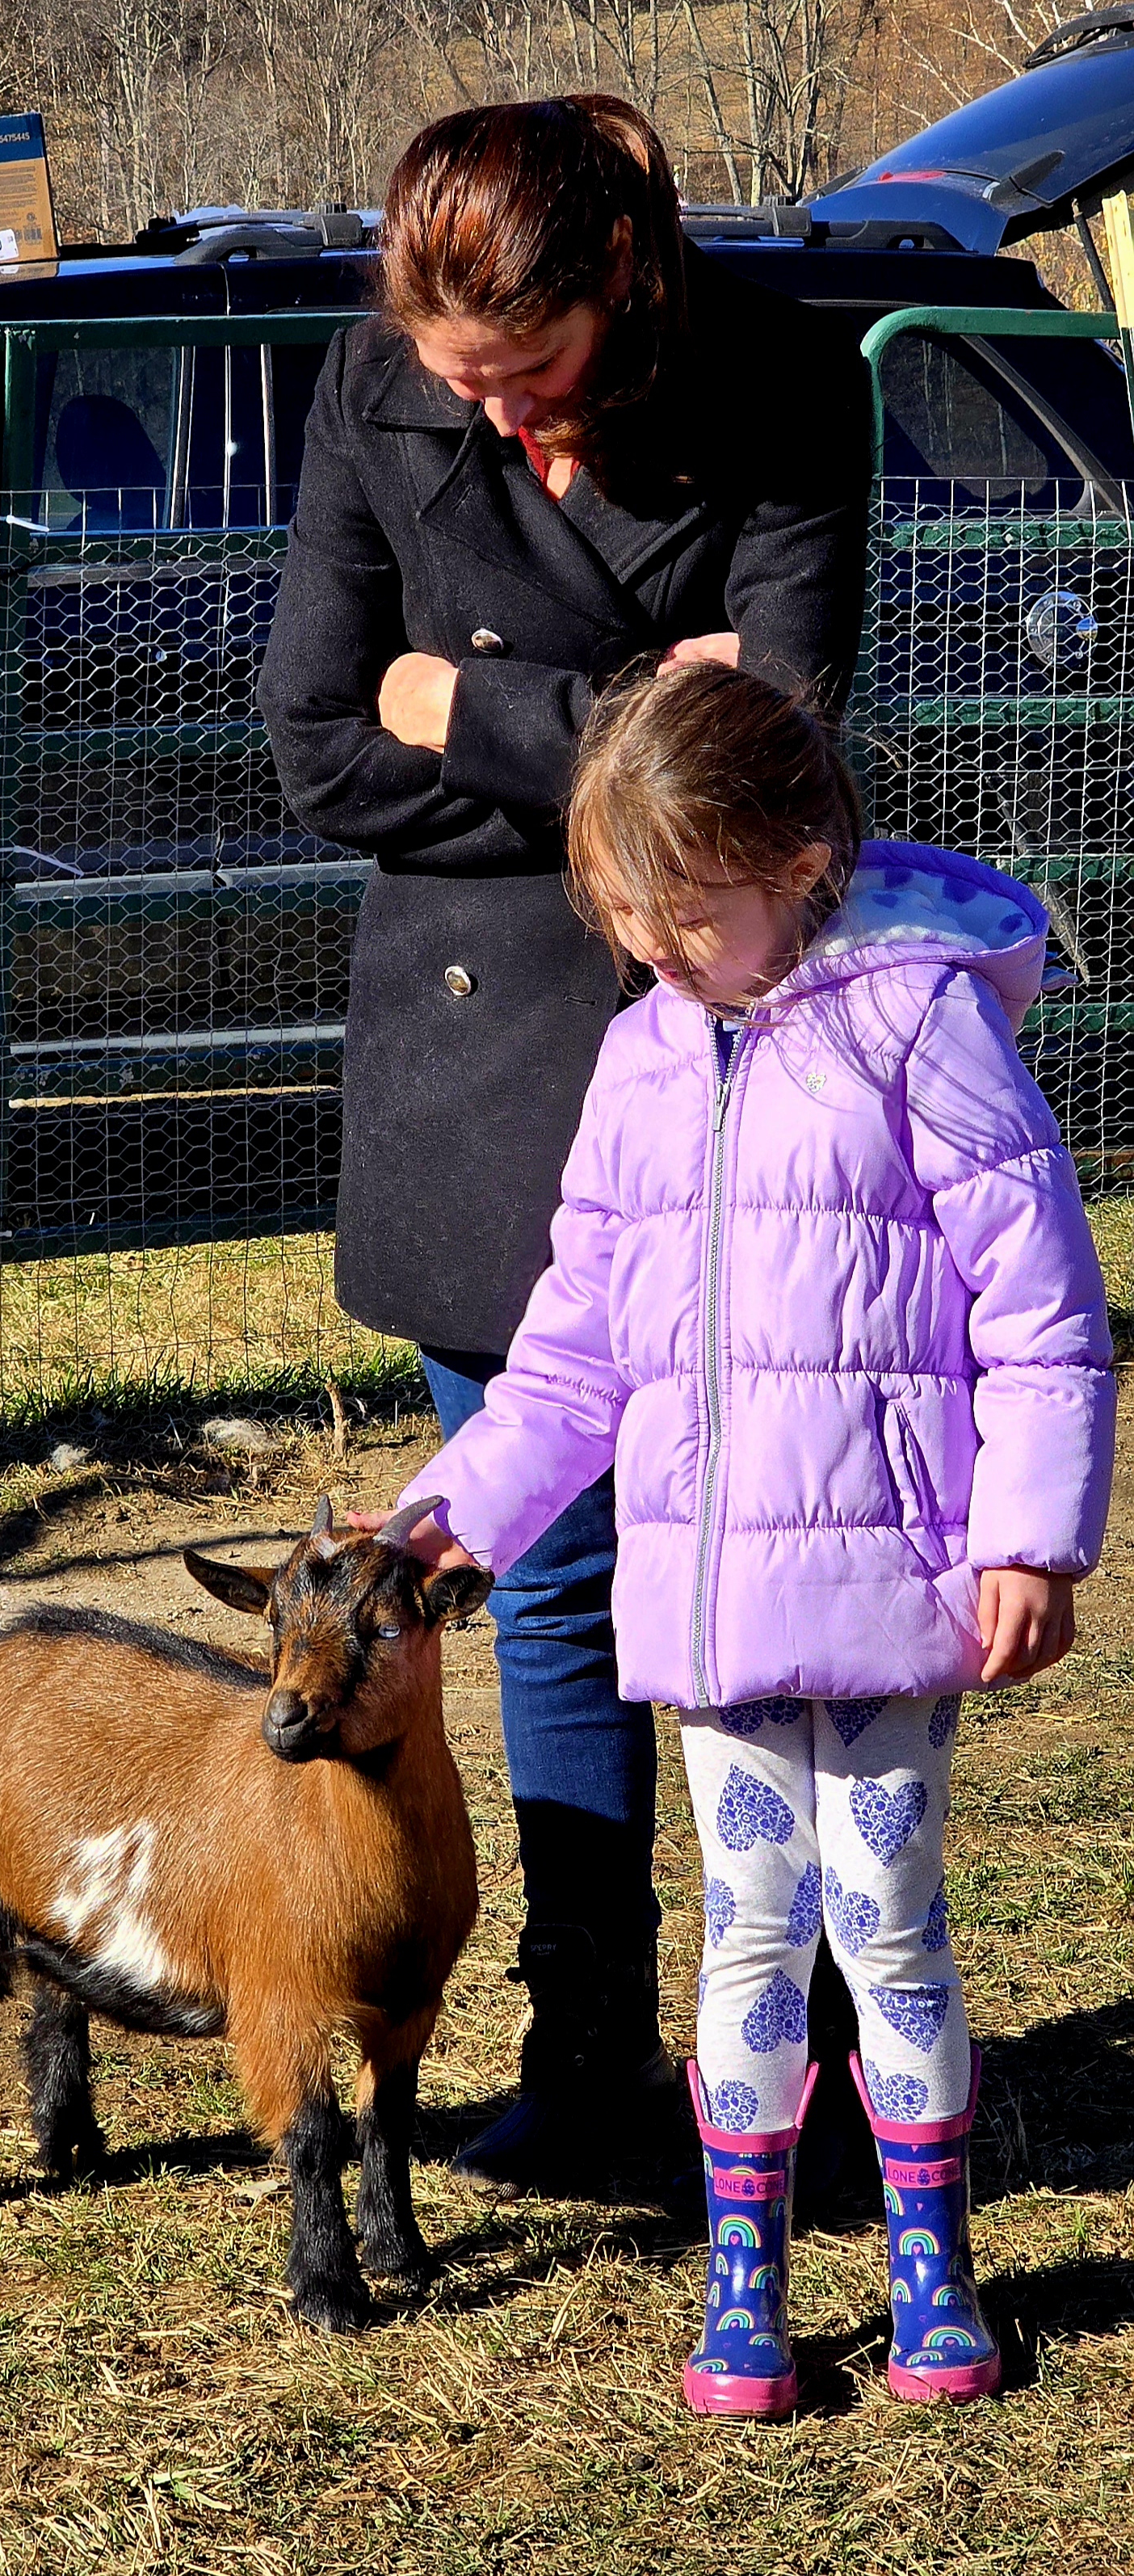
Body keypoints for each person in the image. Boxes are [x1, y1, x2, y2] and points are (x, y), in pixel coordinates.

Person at [360, 661, 1115, 2414]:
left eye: (678, 909)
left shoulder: (924, 1024)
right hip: (714, 1607)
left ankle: (937, 2266)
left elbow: (1040, 1300)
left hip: (888, 1594)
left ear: (790, 850)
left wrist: (1034, 1536)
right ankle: (745, 2274)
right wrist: (449, 1513)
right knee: (749, 1933)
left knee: (893, 1920)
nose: (653, 948)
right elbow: (576, 1342)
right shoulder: (636, 1060)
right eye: (626, 917)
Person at [258, 95, 874, 2188]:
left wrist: (480, 702)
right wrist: (624, 721)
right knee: (535, 1582)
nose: (485, 411)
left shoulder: (774, 382)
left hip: (726, 1057)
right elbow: (321, 736)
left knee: (782, 1564)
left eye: (520, 373)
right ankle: (596, 2048)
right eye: (452, 375)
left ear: (618, 284)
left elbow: (769, 748)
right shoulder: (381, 378)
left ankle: (814, 2036)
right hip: (470, 1065)